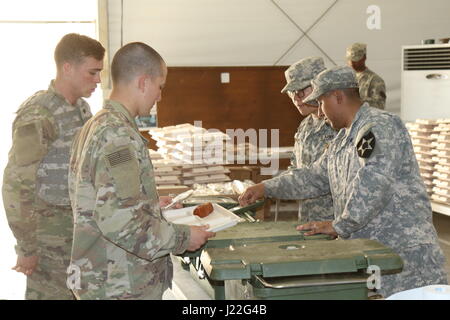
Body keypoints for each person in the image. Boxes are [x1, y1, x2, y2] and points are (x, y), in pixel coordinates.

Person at [239, 66, 448, 297]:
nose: (319, 111)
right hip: (372, 252)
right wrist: (265, 187)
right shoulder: (342, 139)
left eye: (320, 103)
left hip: (404, 256)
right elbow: (313, 177)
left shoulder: (379, 126)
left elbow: (374, 185)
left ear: (337, 97)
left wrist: (339, 225)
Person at [68, 42, 215, 300]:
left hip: (106, 276)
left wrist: (149, 205)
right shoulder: (117, 135)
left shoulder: (96, 125)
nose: (159, 97)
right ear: (144, 82)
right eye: (160, 87)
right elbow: (120, 221)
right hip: (119, 284)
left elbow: (99, 201)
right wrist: (183, 237)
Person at [2, 33, 105, 300]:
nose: (98, 80)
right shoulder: (39, 114)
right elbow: (15, 184)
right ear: (67, 68)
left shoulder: (82, 110)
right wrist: (26, 247)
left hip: (78, 235)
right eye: (92, 73)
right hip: (48, 241)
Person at [277, 57, 336, 223]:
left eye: (301, 90)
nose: (296, 97)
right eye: (292, 92)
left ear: (319, 85)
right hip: (309, 218)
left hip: (335, 223)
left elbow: (322, 177)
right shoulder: (306, 125)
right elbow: (296, 167)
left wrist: (267, 188)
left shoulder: (338, 124)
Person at [346, 42, 386, 110]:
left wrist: (357, 101)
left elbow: (380, 106)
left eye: (356, 60)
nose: (352, 63)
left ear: (364, 58)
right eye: (350, 60)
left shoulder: (375, 80)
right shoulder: (345, 79)